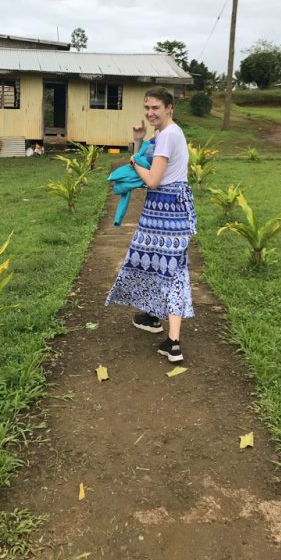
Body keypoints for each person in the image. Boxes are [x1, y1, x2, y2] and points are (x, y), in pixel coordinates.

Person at [105, 86, 196, 363]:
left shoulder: (168, 135)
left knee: (172, 270)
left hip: (165, 207)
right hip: (166, 207)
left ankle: (174, 342)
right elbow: (149, 162)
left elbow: (152, 179)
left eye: (155, 108)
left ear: (169, 108)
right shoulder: (166, 133)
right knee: (160, 264)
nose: (150, 112)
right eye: (147, 107)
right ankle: (155, 318)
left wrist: (132, 161)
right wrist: (138, 141)